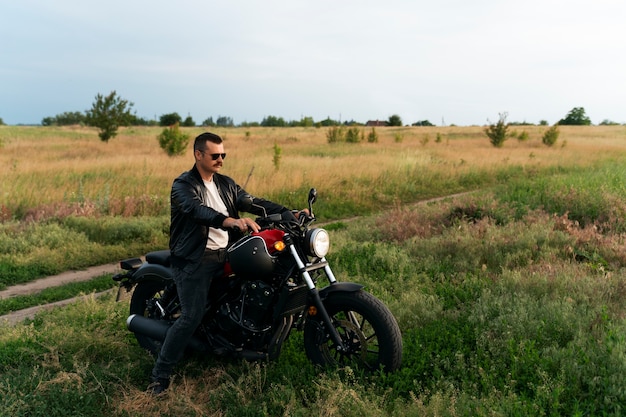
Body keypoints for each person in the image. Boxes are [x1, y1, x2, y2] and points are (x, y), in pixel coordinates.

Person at [147, 132, 294, 395]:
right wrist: (230, 221)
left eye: (223, 155)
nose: (220, 160)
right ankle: (160, 375)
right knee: (191, 316)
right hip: (194, 258)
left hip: (226, 252)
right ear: (198, 155)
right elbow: (197, 211)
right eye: (215, 155)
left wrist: (288, 213)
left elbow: (252, 202)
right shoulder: (183, 185)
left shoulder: (225, 184)